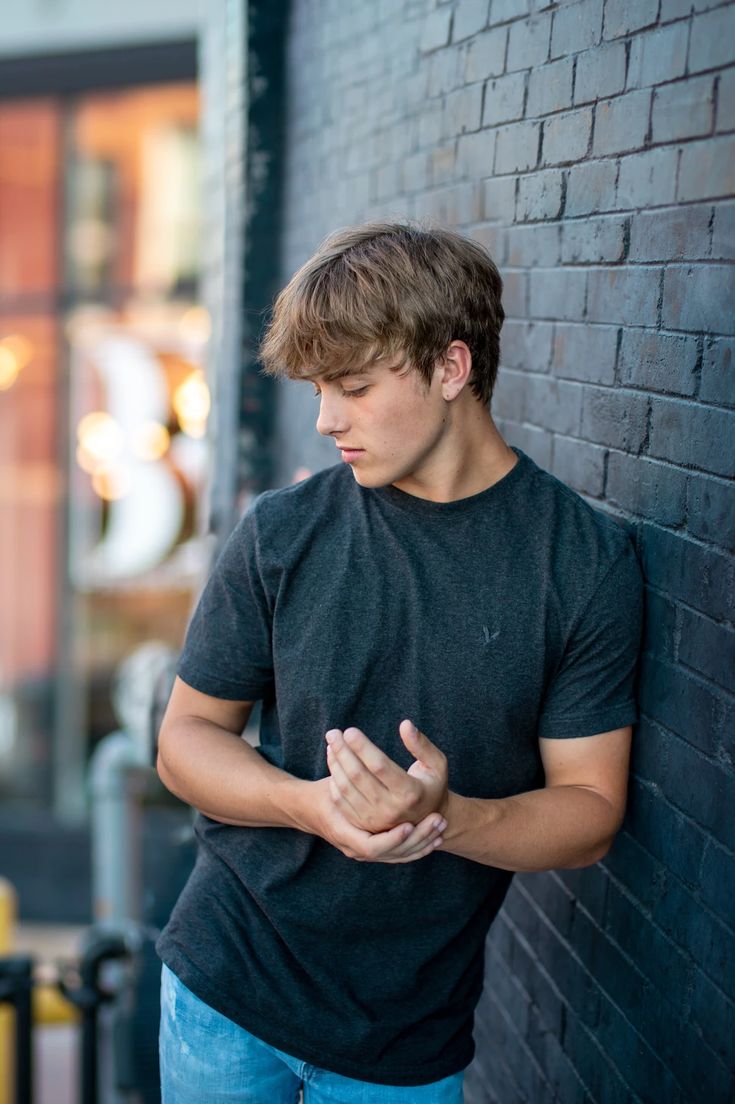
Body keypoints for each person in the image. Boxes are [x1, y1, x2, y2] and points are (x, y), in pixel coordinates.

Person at [155, 222, 643, 1103]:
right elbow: (185, 739)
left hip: (404, 1035)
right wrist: (307, 807)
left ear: (451, 369)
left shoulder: (582, 562)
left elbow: (591, 809)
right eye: (316, 389)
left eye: (353, 387)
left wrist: (444, 818)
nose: (324, 419)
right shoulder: (282, 533)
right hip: (226, 987)